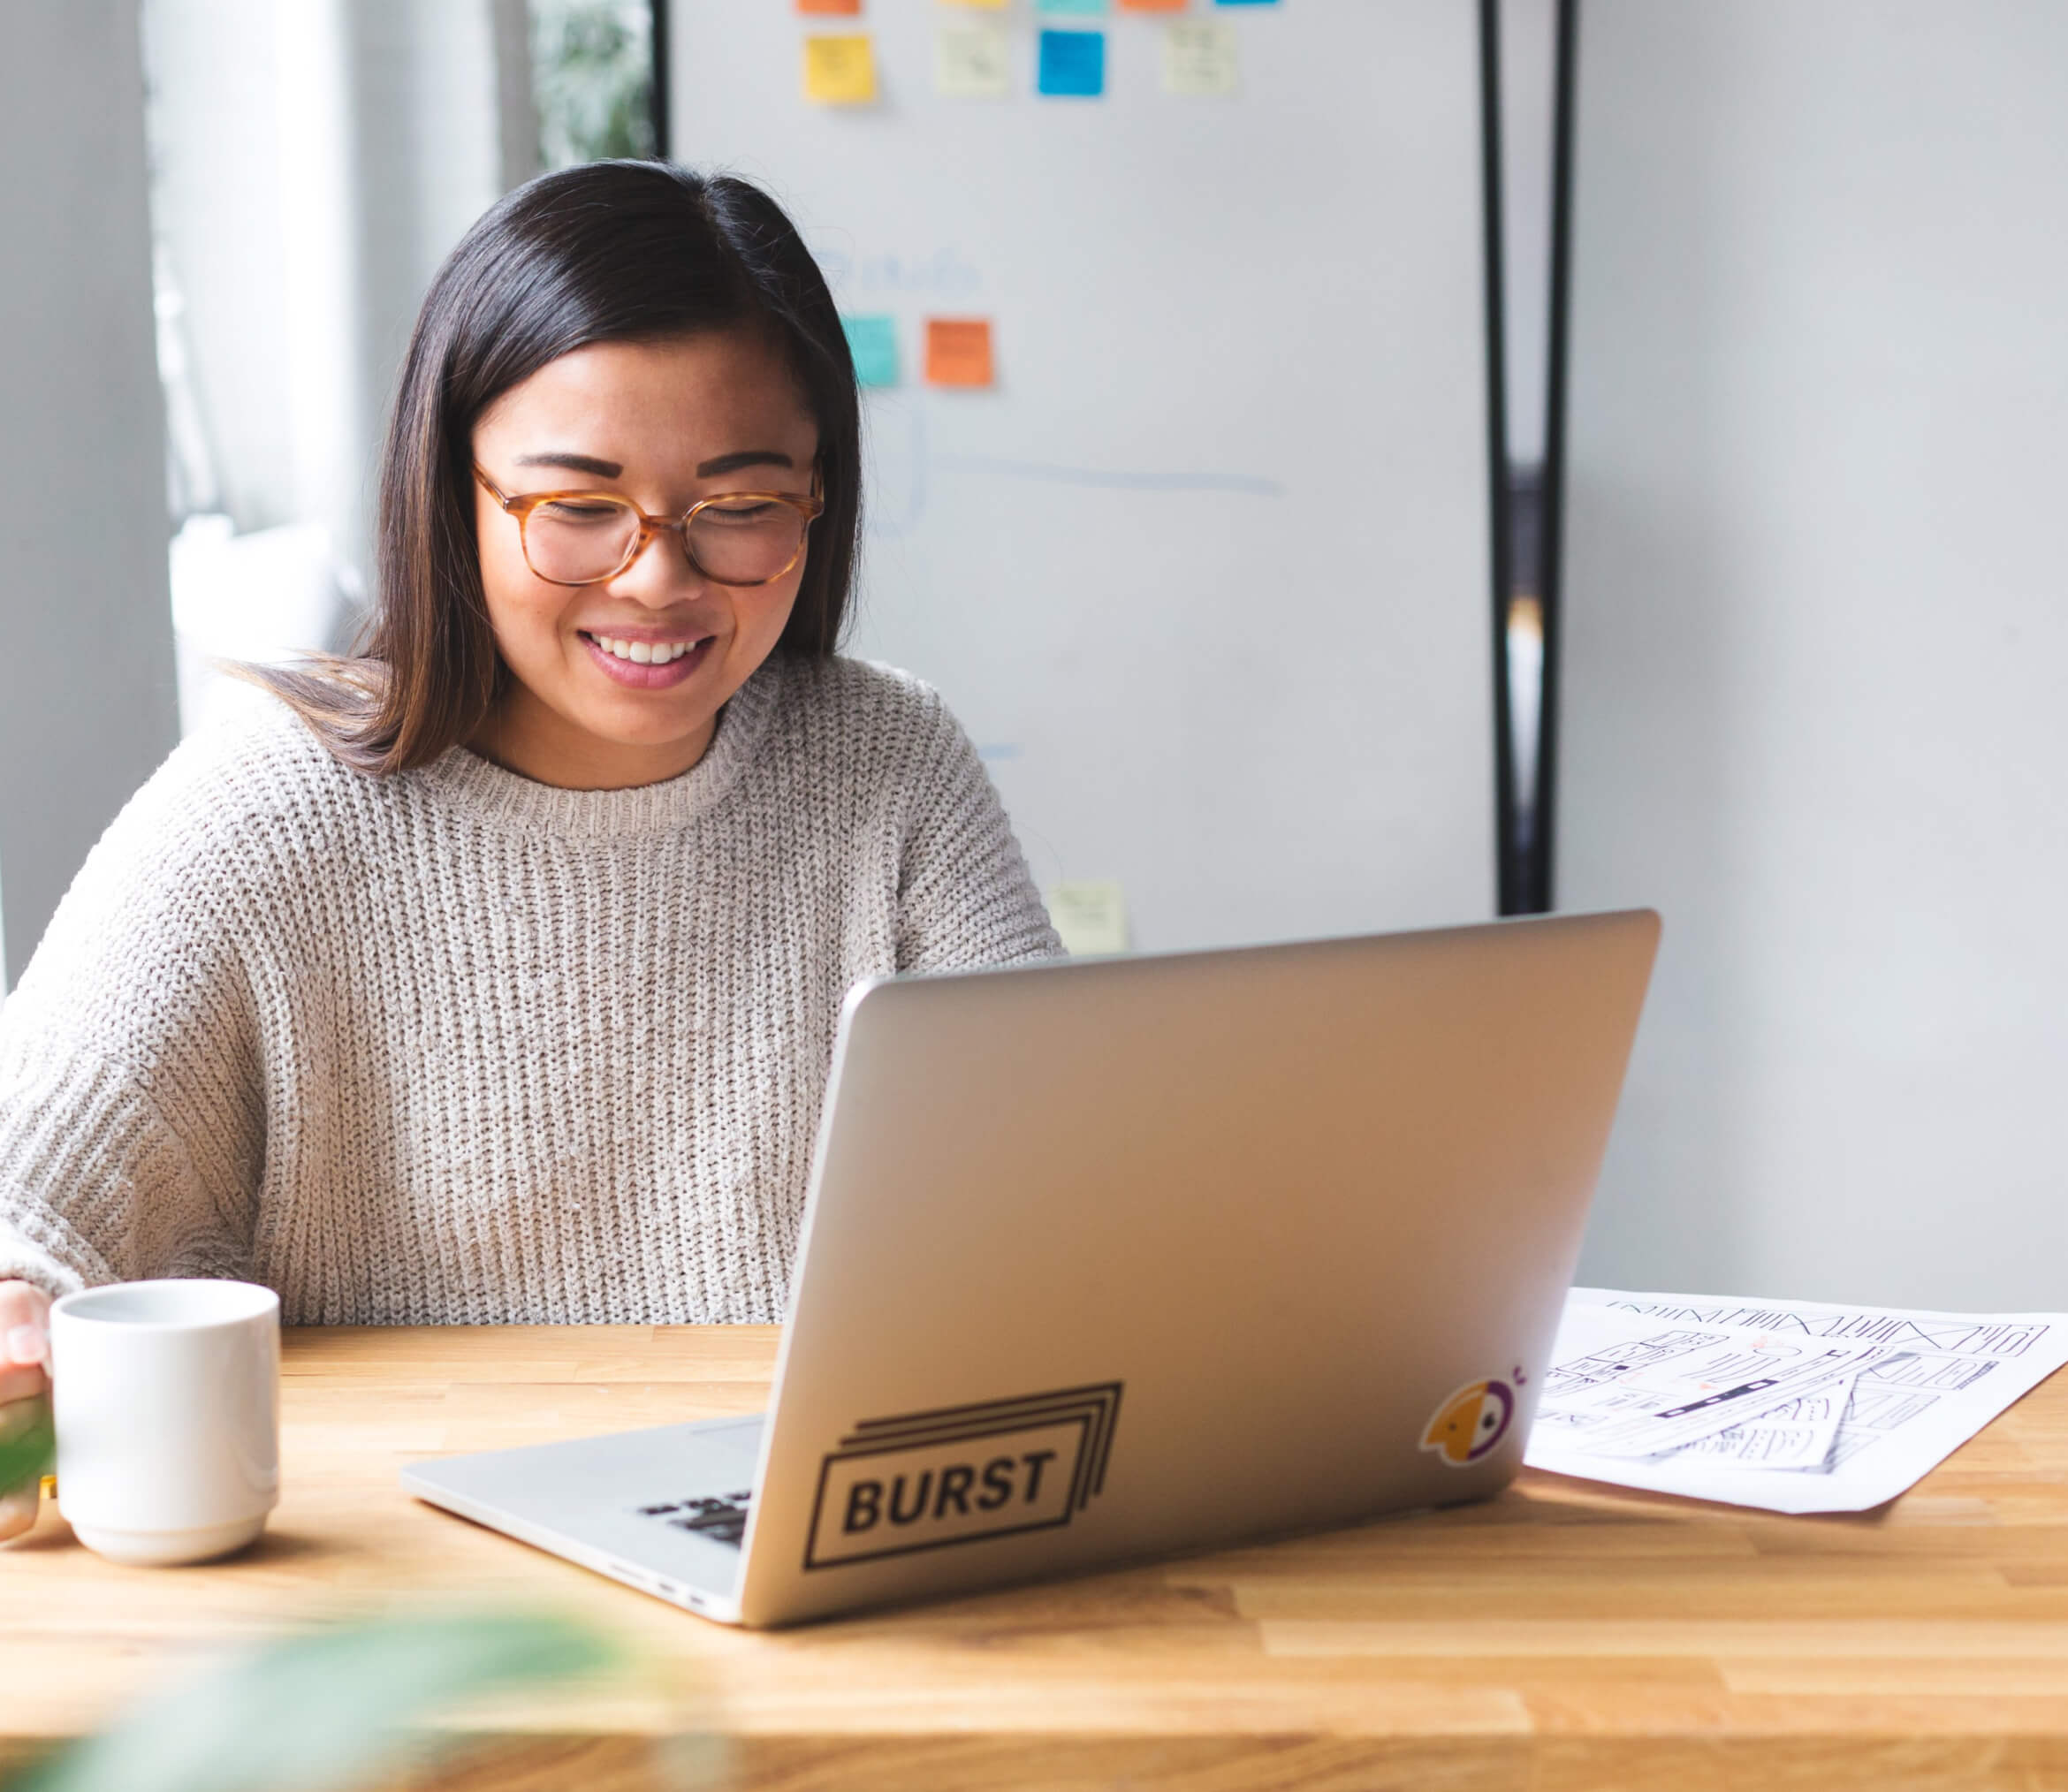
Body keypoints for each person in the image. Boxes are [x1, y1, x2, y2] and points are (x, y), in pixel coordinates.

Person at [0, 162, 1061, 1538]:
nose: (658, 578)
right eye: (577, 505)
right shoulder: (259, 808)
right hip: (393, 1591)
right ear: (453, 492)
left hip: (801, 1543)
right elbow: (27, 1187)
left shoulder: (891, 768)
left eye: (739, 506)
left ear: (819, 497)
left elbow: (1063, 1197)